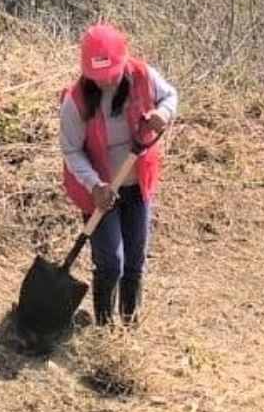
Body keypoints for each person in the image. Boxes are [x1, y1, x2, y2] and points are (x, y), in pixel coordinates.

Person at [59, 23, 177, 326]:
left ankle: (130, 324)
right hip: (98, 189)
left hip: (136, 183)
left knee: (135, 260)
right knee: (111, 261)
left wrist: (162, 116)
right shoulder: (75, 102)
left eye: (111, 75)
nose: (106, 84)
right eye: (98, 79)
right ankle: (104, 326)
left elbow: (170, 97)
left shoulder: (143, 76)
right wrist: (95, 184)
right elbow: (71, 151)